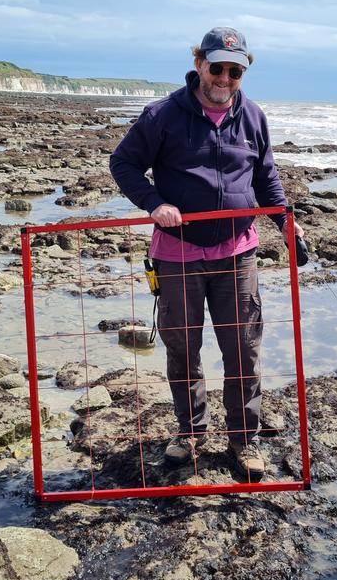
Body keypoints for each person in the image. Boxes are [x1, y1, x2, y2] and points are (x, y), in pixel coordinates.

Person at [109, 26, 302, 478]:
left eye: (236, 71)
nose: (225, 78)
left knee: (244, 348)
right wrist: (155, 204)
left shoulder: (252, 116)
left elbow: (266, 178)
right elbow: (124, 163)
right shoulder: (162, 115)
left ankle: (245, 440)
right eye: (217, 67)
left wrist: (288, 228)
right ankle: (191, 431)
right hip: (177, 256)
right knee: (183, 348)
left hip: (239, 254)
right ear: (200, 65)